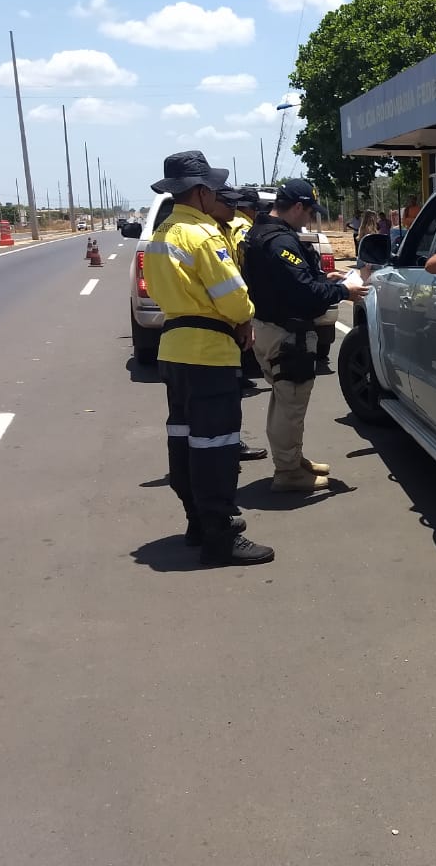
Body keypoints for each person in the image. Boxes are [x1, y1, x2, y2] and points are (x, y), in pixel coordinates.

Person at [143, 151, 273, 566]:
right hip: (209, 351)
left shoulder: (163, 233)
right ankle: (220, 533)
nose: (217, 195)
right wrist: (245, 320)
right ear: (199, 192)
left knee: (184, 439)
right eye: (213, 189)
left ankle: (197, 522)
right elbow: (233, 296)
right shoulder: (203, 235)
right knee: (217, 444)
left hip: (174, 348)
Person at [241, 179, 369, 493]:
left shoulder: (262, 232)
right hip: (284, 333)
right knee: (291, 403)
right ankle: (287, 472)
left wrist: (325, 277)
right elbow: (304, 294)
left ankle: (292, 460)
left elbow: (289, 281)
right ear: (297, 207)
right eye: (309, 212)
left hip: (272, 326)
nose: (310, 219)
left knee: (284, 400)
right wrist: (344, 291)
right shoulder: (279, 241)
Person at [214, 187, 268, 462]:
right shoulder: (241, 229)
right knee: (226, 393)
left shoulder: (213, 227)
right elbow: (242, 272)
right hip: (229, 316)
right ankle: (229, 448)